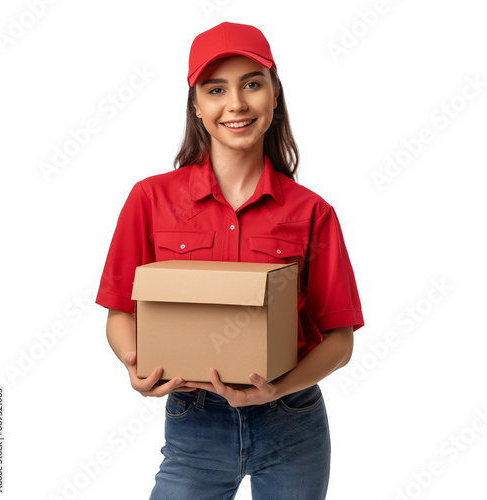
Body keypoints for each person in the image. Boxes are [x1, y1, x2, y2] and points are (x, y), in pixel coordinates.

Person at [95, 21, 364, 500]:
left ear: (274, 95)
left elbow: (339, 341)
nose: (236, 104)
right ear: (196, 106)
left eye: (252, 84)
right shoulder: (150, 199)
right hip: (193, 420)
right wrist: (132, 362)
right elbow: (121, 313)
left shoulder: (312, 212)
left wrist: (275, 391)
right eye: (216, 89)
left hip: (292, 423)